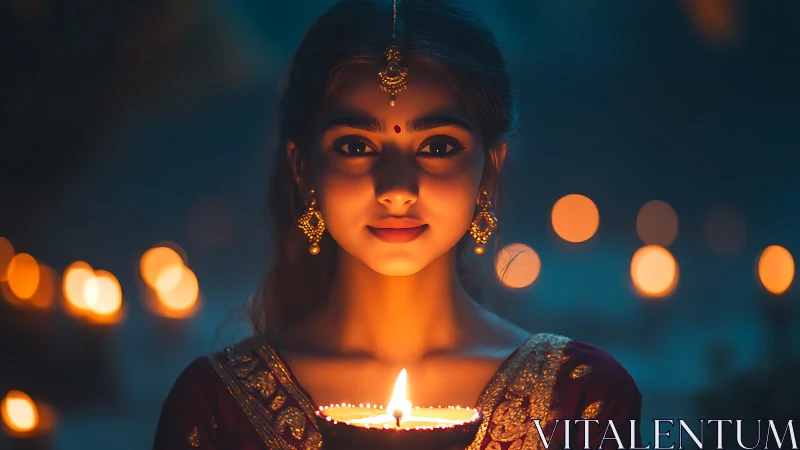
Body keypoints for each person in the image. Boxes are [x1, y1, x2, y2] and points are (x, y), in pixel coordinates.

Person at [153, 0, 642, 448]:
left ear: (489, 168)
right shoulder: (217, 406)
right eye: (355, 146)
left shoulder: (579, 399)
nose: (397, 188)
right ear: (303, 169)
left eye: (437, 147)